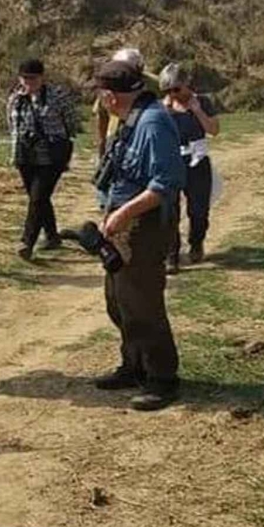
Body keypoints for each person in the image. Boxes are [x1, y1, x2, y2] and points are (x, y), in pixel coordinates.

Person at [90, 59, 185, 411]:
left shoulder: (154, 123)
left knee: (143, 303)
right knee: (118, 300)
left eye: (101, 93)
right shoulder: (130, 119)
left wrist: (123, 213)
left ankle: (162, 378)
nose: (100, 99)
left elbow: (165, 184)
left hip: (144, 227)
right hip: (123, 223)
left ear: (112, 96)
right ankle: (135, 365)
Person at [7, 57, 79, 260]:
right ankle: (52, 235)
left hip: (52, 152)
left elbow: (71, 122)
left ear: (42, 77)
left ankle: (27, 241)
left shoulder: (58, 96)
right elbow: (12, 127)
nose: (28, 82)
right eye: (25, 78)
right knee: (37, 197)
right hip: (25, 152)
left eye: (33, 78)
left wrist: (60, 143)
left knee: (38, 197)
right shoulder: (15, 98)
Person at [159, 62, 221, 271]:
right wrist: (166, 111)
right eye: (168, 90)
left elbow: (214, 130)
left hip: (197, 160)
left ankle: (196, 242)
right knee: (169, 211)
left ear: (187, 84)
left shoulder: (202, 102)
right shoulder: (163, 108)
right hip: (172, 161)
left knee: (198, 210)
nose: (173, 94)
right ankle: (171, 255)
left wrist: (197, 111)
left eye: (177, 89)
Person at [94, 46, 156, 163]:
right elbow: (101, 114)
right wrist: (101, 146)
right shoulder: (110, 82)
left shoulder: (155, 85)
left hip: (142, 137)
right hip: (114, 137)